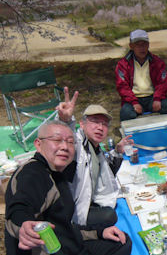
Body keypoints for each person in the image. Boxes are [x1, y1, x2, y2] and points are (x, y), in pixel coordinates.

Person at [4, 120, 139, 255]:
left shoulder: (57, 173)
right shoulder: (32, 175)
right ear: (38, 145)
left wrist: (99, 233)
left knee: (121, 241)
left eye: (69, 142)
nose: (65, 146)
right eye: (57, 140)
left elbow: (65, 227)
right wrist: (23, 225)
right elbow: (19, 209)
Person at [56, 88, 133, 229]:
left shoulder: (96, 149)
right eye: (95, 121)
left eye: (104, 124)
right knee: (110, 216)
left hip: (92, 199)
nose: (100, 127)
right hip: (74, 212)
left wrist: (117, 151)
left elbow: (106, 174)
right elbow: (64, 140)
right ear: (82, 124)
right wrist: (65, 120)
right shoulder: (77, 145)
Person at [116, 29, 167, 121]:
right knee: (125, 113)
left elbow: (163, 83)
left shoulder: (157, 62)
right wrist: (134, 102)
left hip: (152, 97)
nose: (142, 48)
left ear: (148, 45)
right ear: (131, 46)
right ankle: (131, 135)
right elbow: (122, 87)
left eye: (144, 44)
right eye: (138, 45)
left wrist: (157, 99)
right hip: (133, 99)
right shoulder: (123, 64)